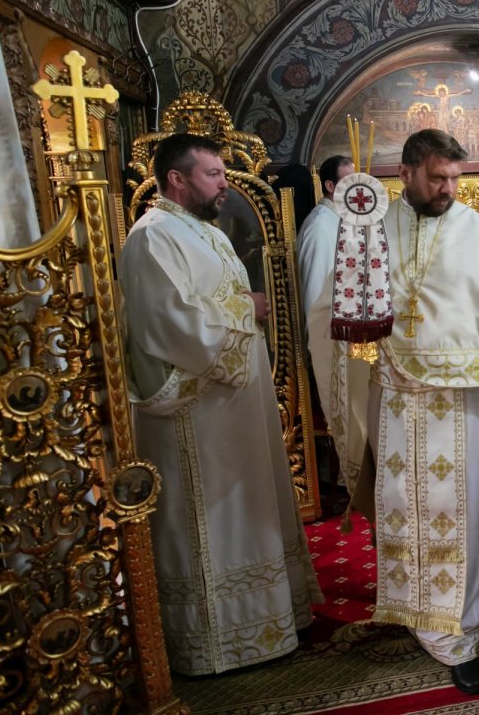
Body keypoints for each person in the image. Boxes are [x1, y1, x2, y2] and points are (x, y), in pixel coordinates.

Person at [333, 129, 479, 695]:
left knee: (458, 517)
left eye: (455, 179)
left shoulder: (470, 230)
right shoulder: (376, 226)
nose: (448, 189)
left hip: (458, 402)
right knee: (401, 510)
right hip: (395, 397)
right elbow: (349, 305)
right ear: (408, 171)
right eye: (438, 178)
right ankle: (414, 614)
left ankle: (460, 637)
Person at [120, 133, 322, 675]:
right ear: (177, 180)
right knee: (212, 519)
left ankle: (266, 620)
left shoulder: (199, 231)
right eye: (213, 174)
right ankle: (217, 639)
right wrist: (247, 309)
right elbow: (169, 322)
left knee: (249, 504)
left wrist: (244, 309)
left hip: (233, 404)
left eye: (224, 173)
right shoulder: (153, 236)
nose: (224, 184)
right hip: (197, 412)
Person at [296, 155, 371, 516]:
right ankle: (346, 475)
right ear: (329, 186)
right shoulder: (321, 228)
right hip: (335, 342)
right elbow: (316, 298)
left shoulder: (341, 221)